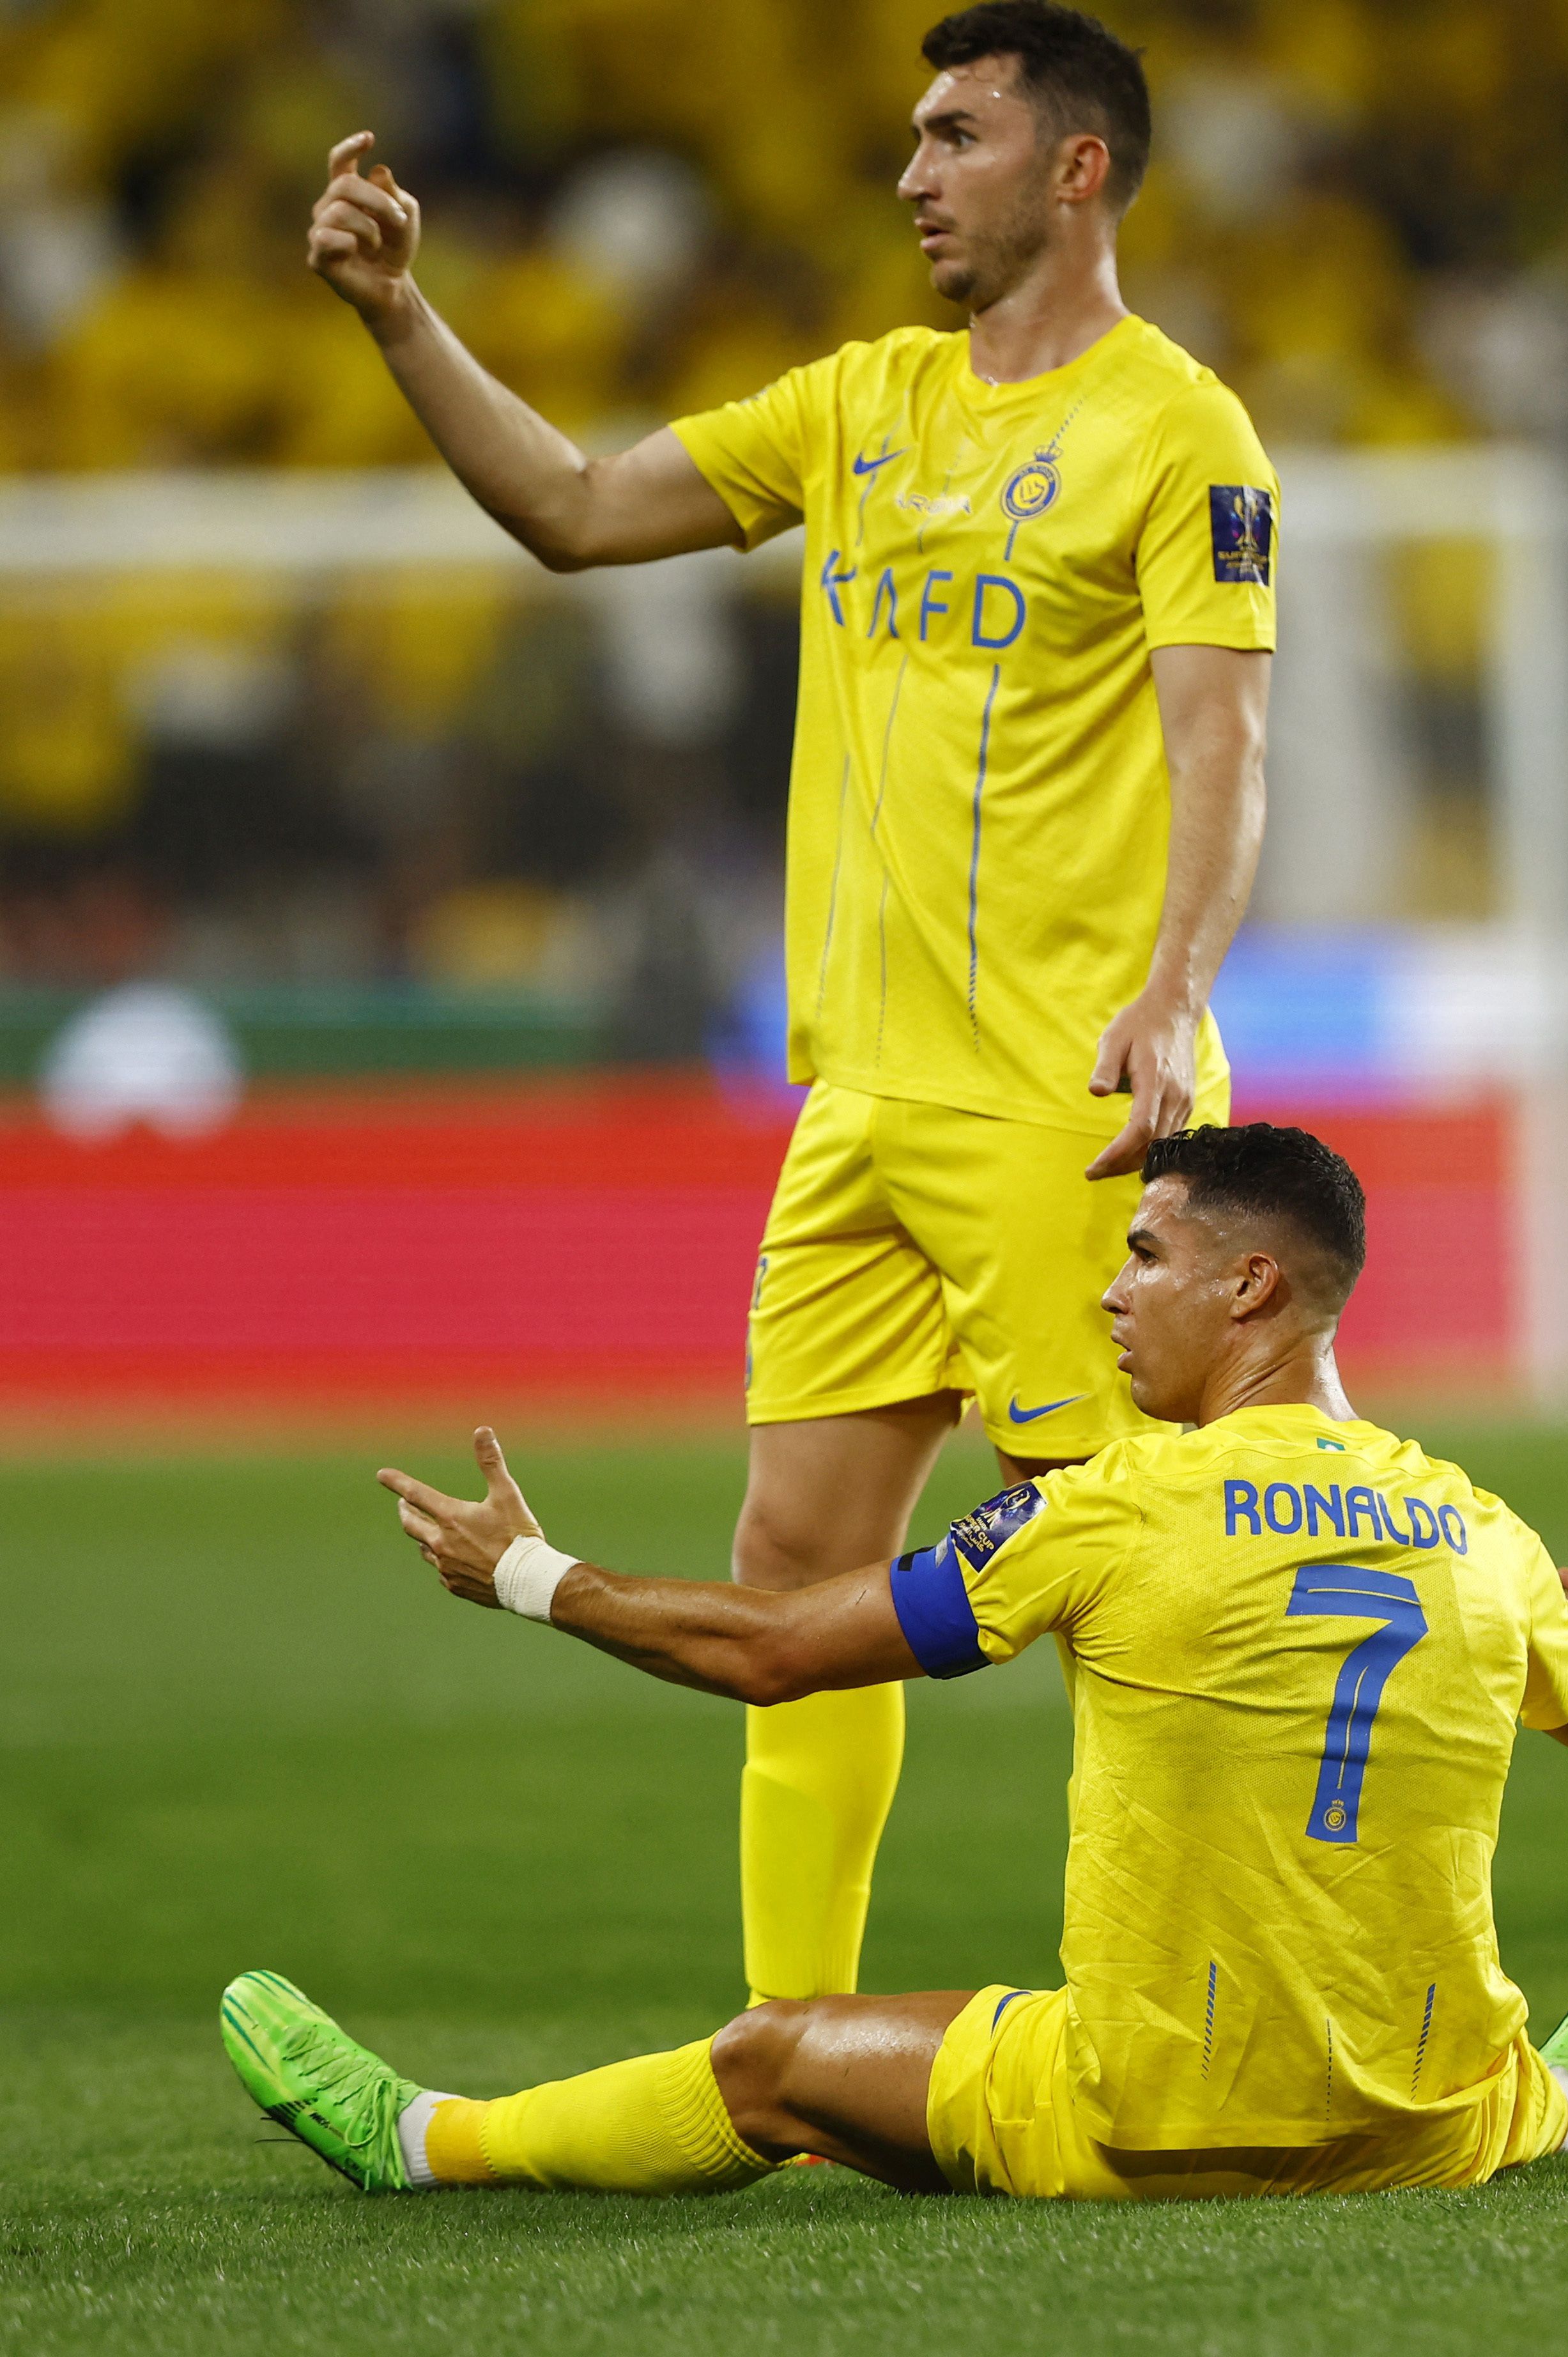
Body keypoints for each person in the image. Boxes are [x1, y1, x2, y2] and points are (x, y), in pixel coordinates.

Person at [306, 1, 1276, 2016]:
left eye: (956, 136)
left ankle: (1230, 2021)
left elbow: (1223, 737)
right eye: (913, 140)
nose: (911, 173)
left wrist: (1178, 990)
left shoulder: (1181, 430)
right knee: (795, 1575)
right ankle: (795, 2052)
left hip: (1060, 1107)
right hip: (857, 1111)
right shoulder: (858, 404)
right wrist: (406, 320)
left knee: (1148, 1585)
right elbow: (572, 509)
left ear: (1076, 166)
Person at [221, 1123, 1568, 2203]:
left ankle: (420, 2140)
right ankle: (1561, 2090)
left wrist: (532, 1574)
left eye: (1143, 1255)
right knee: (1486, 2080)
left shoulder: (1110, 1502)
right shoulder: (1481, 1528)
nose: (1111, 1293)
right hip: (1425, 2129)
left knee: (772, 2057)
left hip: (1143, 2124)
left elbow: (783, 1647)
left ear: (1248, 1287)